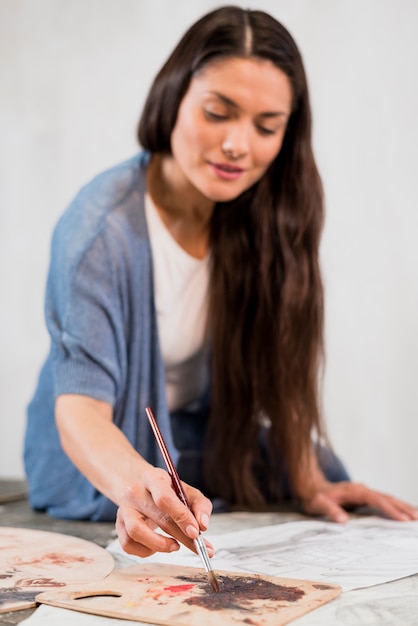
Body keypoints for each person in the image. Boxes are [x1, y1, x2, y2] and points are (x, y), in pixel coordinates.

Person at [24, 6, 418, 560]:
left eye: (266, 127)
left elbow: (281, 372)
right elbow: (80, 411)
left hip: (198, 438)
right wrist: (137, 485)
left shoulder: (268, 214)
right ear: (173, 98)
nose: (239, 145)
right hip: (98, 457)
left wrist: (308, 478)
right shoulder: (100, 230)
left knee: (319, 476)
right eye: (218, 112)